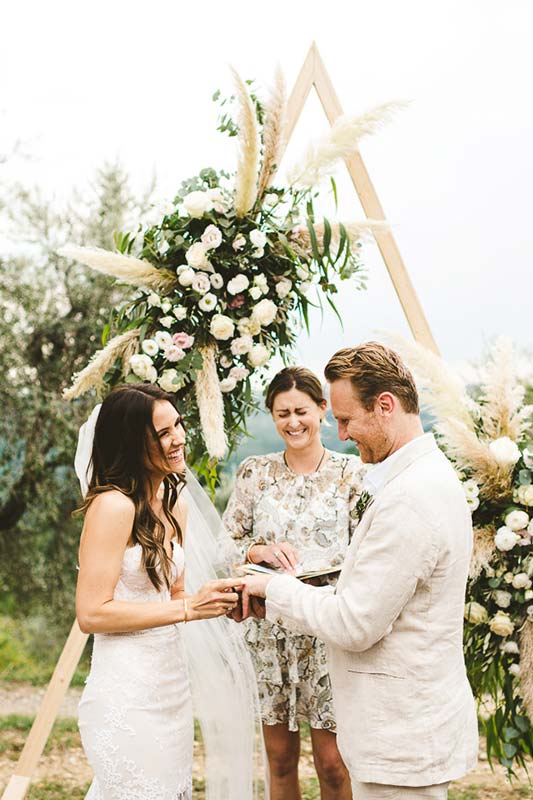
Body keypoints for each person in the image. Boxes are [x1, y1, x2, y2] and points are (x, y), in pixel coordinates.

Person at [241, 343, 478, 800]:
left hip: (401, 741)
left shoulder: (411, 498)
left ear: (385, 405)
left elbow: (354, 623)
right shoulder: (424, 477)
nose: (343, 434)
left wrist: (274, 589)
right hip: (405, 732)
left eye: (347, 419)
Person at [74, 383, 245, 800]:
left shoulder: (174, 504)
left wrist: (214, 601)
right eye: (164, 432)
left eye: (179, 425)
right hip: (126, 690)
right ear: (134, 441)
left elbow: (175, 597)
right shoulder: (113, 506)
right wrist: (188, 610)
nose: (179, 438)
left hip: (171, 686)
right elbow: (92, 614)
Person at [223, 366, 365, 800]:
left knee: (333, 764)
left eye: (301, 410)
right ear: (272, 415)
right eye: (281, 413)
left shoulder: (353, 474)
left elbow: (369, 550)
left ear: (323, 410)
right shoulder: (254, 473)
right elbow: (224, 543)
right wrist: (254, 552)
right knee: (279, 760)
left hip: (328, 630)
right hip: (268, 634)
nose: (292, 422)